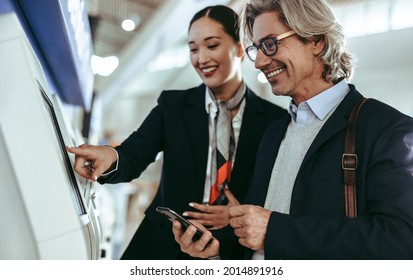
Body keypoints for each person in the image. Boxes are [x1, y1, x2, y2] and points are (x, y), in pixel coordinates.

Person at [172, 0, 413, 259]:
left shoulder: (387, 130)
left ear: (316, 40)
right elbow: (258, 236)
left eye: (270, 44)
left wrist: (275, 229)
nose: (259, 61)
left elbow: (401, 238)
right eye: (256, 48)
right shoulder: (274, 133)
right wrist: (215, 251)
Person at [66, 4, 286, 260]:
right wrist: (110, 157)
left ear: (239, 48)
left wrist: (240, 215)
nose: (201, 58)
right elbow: (133, 154)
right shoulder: (173, 106)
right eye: (193, 48)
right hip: (163, 245)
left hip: (230, 251)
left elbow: (277, 193)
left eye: (212, 45)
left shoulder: (275, 120)